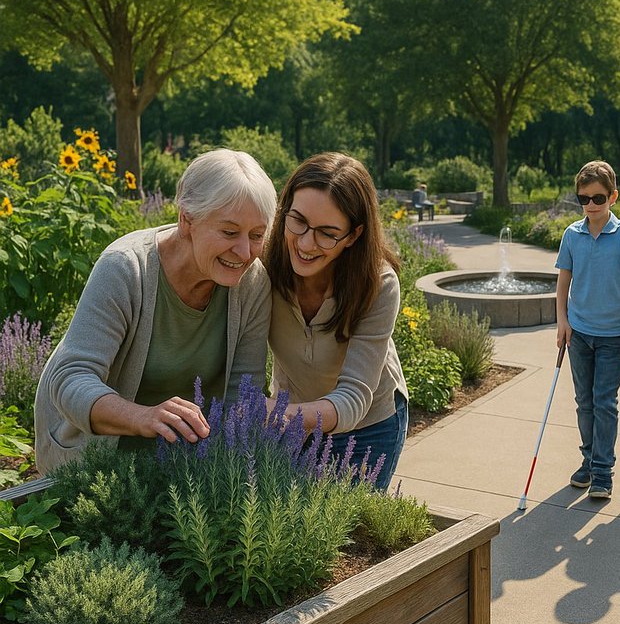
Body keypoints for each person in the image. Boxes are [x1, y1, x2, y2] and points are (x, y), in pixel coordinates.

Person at [35, 149, 275, 471]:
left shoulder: (252, 284)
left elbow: (242, 396)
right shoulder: (125, 269)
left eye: (256, 235)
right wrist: (143, 417)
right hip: (95, 466)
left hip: (181, 468)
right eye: (229, 232)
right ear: (186, 219)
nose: (245, 252)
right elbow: (70, 379)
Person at [265, 152, 409, 489]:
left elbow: (355, 396)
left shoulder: (378, 284)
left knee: (347, 534)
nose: (305, 243)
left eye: (327, 233)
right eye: (297, 220)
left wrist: (285, 414)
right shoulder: (262, 269)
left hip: (369, 425)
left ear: (354, 235)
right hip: (292, 419)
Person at [555, 160, 620, 500]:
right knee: (584, 402)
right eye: (584, 199)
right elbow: (563, 281)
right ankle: (589, 460)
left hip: (613, 335)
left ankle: (603, 471)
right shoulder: (571, 235)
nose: (591, 205)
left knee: (605, 402)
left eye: (598, 198)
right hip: (579, 334)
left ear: (613, 197)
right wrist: (562, 322)